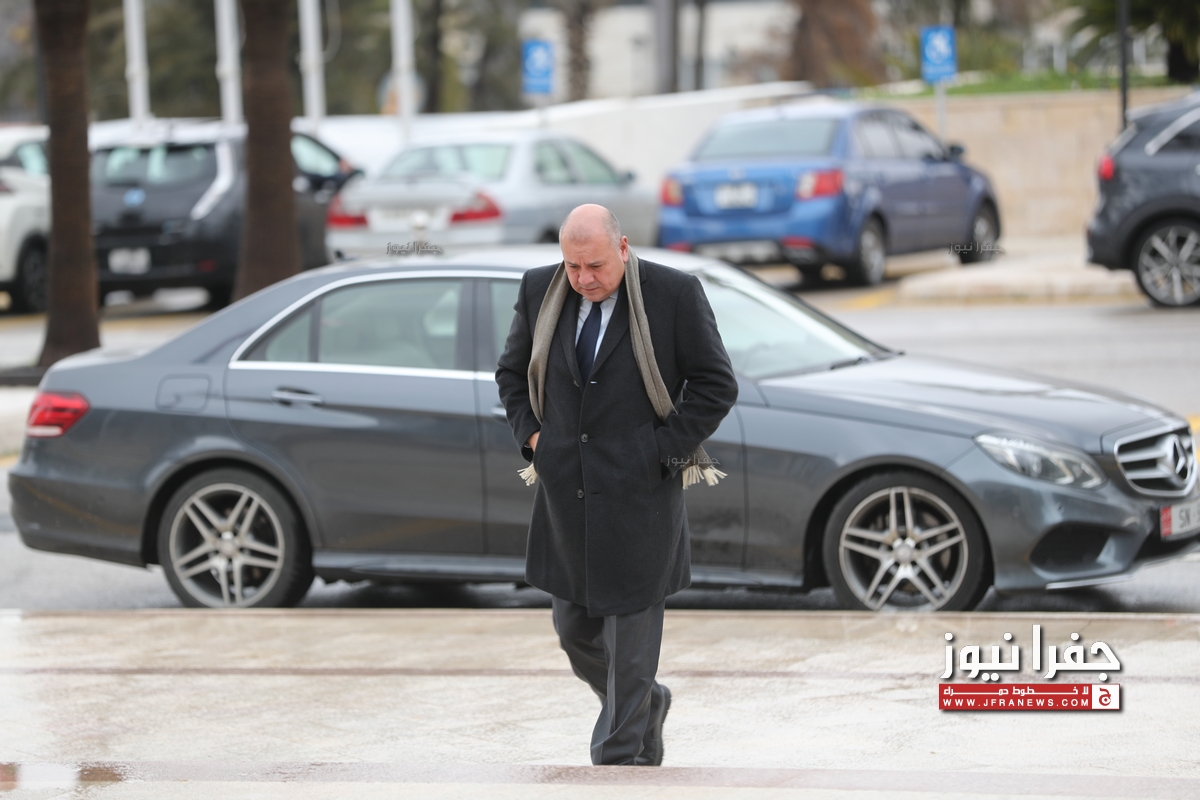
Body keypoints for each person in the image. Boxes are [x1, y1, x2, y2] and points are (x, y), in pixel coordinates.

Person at [496, 204, 738, 766]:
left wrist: (659, 452)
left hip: (639, 501)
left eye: (596, 266)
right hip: (567, 500)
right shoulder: (539, 290)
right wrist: (534, 439)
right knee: (574, 633)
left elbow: (715, 384)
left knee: (629, 655)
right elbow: (512, 373)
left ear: (623, 248)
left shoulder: (674, 294)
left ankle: (616, 763)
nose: (583, 279)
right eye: (573, 266)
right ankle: (648, 704)